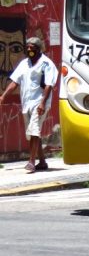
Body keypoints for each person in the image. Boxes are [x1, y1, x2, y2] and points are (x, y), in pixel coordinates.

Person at [0, 37, 58, 173]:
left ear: (39, 49)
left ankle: (31, 162)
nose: (29, 50)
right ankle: (42, 162)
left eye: (32, 48)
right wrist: (3, 96)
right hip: (27, 103)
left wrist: (43, 103)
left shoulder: (46, 64)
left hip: (40, 102)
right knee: (32, 132)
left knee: (34, 129)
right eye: (28, 47)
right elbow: (15, 82)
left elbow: (49, 85)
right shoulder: (24, 63)